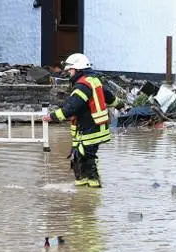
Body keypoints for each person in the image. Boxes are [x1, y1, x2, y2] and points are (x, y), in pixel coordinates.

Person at [43, 53, 122, 188]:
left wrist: (52, 117)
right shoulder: (93, 81)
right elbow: (108, 96)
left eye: (70, 70)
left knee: (86, 157)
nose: (68, 73)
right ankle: (83, 189)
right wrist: (119, 104)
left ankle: (93, 188)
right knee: (79, 156)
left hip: (89, 128)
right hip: (93, 127)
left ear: (78, 69)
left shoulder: (82, 86)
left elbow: (71, 108)